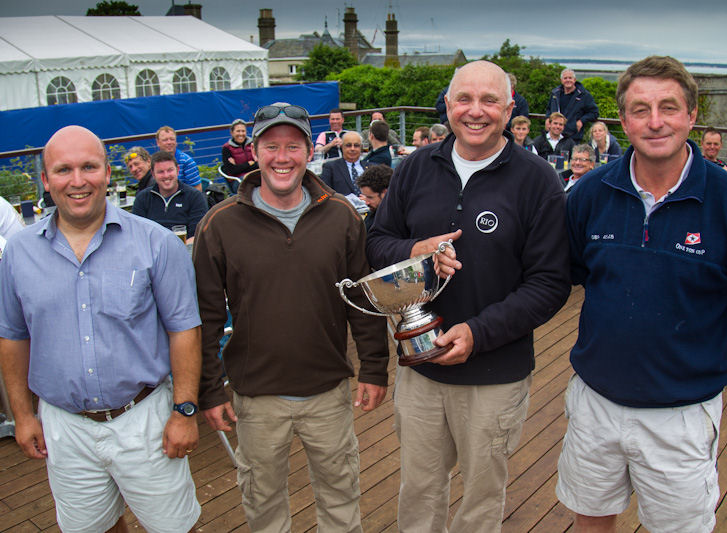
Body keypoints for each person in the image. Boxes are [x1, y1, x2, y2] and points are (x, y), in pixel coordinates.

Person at [558, 56, 727, 533]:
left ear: (691, 115)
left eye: (668, 107)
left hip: (681, 414)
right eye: (640, 109)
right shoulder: (589, 194)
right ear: (622, 121)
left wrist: (707, 328)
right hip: (594, 401)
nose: (654, 121)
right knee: (590, 520)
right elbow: (576, 272)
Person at [366, 60, 571, 533]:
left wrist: (478, 333)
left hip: (495, 375)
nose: (475, 111)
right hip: (418, 367)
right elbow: (376, 245)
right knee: (419, 489)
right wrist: (414, 251)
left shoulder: (538, 179)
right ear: (448, 104)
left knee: (481, 498)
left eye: (489, 100)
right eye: (464, 99)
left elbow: (550, 282)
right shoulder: (415, 167)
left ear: (509, 109)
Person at [193, 102, 389, 532]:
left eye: (293, 146)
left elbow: (362, 298)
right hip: (256, 398)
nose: (282, 158)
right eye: (271, 146)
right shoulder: (219, 224)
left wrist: (375, 368)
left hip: (328, 393)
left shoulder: (341, 215)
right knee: (263, 510)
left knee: (341, 501)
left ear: (309, 151)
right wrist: (209, 391)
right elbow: (206, 320)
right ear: (256, 152)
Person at [0, 125, 202, 533]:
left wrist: (184, 410)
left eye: (89, 167)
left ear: (108, 173)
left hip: (143, 419)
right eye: (63, 170)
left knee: (176, 529)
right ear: (45, 180)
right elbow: (12, 336)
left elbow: (185, 330)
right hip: (65, 426)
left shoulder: (157, 244)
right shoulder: (17, 254)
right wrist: (22, 415)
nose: (77, 181)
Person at [133, 151, 208, 244]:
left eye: (170, 170)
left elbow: (197, 235)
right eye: (160, 172)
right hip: (153, 254)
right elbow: (137, 234)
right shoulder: (142, 198)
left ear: (178, 170)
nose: (166, 175)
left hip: (185, 253)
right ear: (153, 174)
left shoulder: (194, 197)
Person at [545, 68, 599, 142]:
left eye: (570, 78)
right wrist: (548, 118)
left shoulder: (584, 95)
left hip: (573, 136)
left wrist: (581, 121)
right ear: (561, 80)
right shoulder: (555, 93)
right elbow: (549, 108)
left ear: (574, 80)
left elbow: (594, 113)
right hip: (554, 134)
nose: (568, 80)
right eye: (565, 78)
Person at [320, 131, 373, 196]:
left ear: (361, 148)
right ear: (342, 147)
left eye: (356, 146)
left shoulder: (371, 168)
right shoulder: (331, 167)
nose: (352, 149)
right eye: (348, 145)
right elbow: (323, 194)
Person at [155, 126, 202, 191]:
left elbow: (197, 189)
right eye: (165, 140)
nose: (169, 142)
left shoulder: (187, 162)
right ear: (158, 143)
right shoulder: (155, 162)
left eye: (172, 139)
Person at [356, 164, 392, 231]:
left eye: (370, 197)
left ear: (385, 193)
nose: (366, 202)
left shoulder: (397, 220)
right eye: (365, 196)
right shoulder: (374, 213)